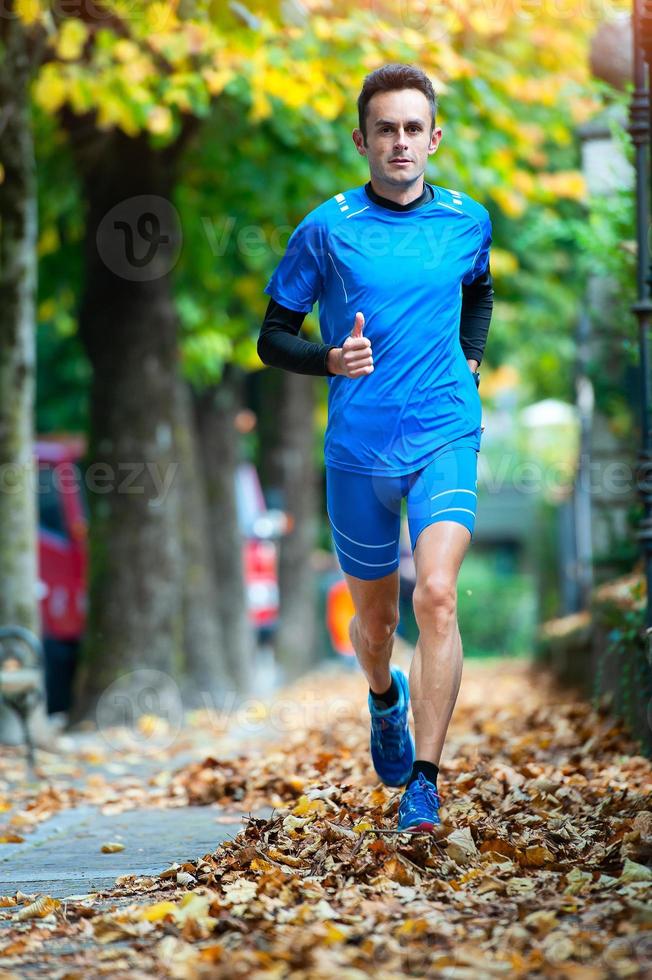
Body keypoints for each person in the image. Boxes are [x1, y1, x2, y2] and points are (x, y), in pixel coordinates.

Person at [258, 63, 493, 832]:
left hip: (445, 431)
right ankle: (384, 698)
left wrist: (472, 354)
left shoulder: (467, 220)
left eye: (413, 128)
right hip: (359, 450)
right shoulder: (326, 228)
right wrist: (329, 359)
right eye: (385, 129)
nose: (400, 142)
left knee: (437, 595)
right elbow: (271, 338)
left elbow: (479, 287)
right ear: (363, 139)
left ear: (434, 136)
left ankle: (423, 781)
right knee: (378, 627)